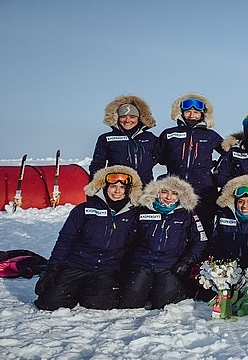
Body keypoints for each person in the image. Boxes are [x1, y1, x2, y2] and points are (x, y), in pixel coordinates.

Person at [34, 165, 142, 310]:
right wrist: (52, 268)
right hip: (76, 264)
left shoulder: (132, 214)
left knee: (99, 303)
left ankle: (87, 290)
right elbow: (65, 240)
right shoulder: (84, 209)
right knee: (50, 303)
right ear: (104, 187)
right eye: (113, 186)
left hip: (106, 269)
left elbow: (133, 243)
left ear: (129, 190)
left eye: (122, 188)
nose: (117, 191)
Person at [119, 176, 207, 310]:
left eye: (174, 193)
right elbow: (128, 238)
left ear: (180, 196)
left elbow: (200, 240)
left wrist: (188, 260)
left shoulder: (187, 214)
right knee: (130, 302)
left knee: (164, 303)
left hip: (170, 265)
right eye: (165, 191)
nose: (168, 197)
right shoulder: (143, 210)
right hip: (142, 263)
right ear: (157, 192)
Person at [153, 93, 223, 238]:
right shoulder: (169, 134)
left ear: (203, 114)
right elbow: (154, 157)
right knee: (176, 226)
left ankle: (202, 257)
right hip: (175, 189)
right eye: (188, 112)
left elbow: (228, 154)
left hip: (203, 189)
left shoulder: (211, 136)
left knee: (203, 227)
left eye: (196, 112)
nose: (192, 115)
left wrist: (217, 169)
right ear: (181, 113)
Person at [90, 94, 158, 184]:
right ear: (117, 118)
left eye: (132, 117)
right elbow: (97, 165)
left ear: (139, 118)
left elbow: (166, 158)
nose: (127, 120)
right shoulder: (106, 139)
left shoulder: (150, 138)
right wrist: (95, 186)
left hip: (144, 189)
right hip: (118, 188)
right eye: (123, 116)